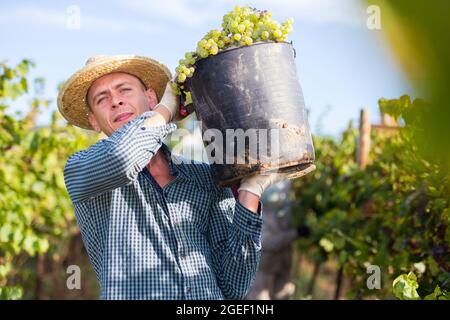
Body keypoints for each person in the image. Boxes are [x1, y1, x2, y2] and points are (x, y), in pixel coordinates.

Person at [58, 55, 293, 300]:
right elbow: (123, 155)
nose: (115, 101)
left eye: (124, 90)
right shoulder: (81, 170)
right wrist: (165, 110)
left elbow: (233, 285)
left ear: (149, 97)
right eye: (102, 99)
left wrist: (249, 193)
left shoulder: (204, 177)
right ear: (94, 121)